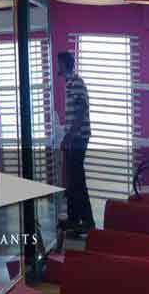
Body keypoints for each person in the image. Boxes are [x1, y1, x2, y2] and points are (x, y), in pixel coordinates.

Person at [57, 50, 95, 235]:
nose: (57, 66)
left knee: (77, 180)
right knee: (73, 180)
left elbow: (81, 113)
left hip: (78, 138)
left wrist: (68, 137)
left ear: (64, 64)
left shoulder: (77, 82)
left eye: (59, 63)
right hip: (75, 138)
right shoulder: (70, 83)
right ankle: (74, 220)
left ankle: (88, 222)